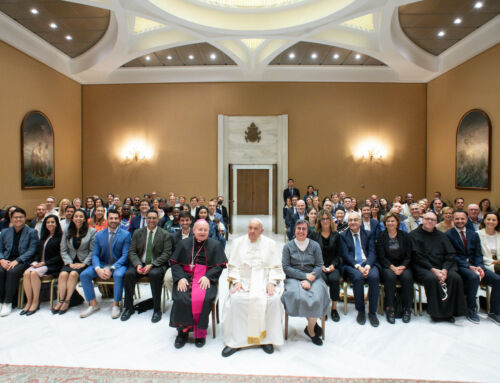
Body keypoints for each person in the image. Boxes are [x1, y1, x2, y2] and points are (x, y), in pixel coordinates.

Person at [221, 219, 284, 357]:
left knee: (273, 300)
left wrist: (272, 282)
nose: (252, 231)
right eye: (250, 228)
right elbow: (232, 266)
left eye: (256, 229)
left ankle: (267, 340)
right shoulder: (238, 243)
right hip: (244, 281)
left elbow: (276, 267)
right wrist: (236, 281)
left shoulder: (270, 244)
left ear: (261, 230)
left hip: (264, 280)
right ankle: (236, 341)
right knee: (237, 299)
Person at [170, 220, 227, 348]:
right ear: (194, 230)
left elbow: (219, 266)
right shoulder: (184, 244)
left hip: (204, 279)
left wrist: (208, 276)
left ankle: (199, 333)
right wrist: (180, 278)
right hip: (186, 277)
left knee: (203, 298)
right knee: (181, 296)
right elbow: (175, 263)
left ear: (208, 231)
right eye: (199, 230)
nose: (202, 232)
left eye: (205, 230)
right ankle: (182, 332)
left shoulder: (215, 245)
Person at [409, 212, 466, 323]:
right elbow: (416, 256)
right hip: (423, 267)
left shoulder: (441, 235)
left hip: (442, 266)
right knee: (432, 279)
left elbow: (450, 254)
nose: (430, 221)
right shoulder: (413, 235)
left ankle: (449, 312)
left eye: (433, 220)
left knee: (455, 277)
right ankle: (436, 313)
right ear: (422, 220)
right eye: (427, 219)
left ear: (436, 222)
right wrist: (433, 269)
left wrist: (444, 269)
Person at [446, 210, 500, 324]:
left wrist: (479, 266)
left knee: (497, 280)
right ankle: (471, 309)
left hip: (476, 265)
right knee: (473, 277)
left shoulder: (473, 234)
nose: (460, 221)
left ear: (466, 219)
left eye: (462, 218)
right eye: (457, 219)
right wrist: (469, 266)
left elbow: (478, 254)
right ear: (453, 219)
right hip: (460, 266)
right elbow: (451, 255)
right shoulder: (448, 234)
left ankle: (494, 312)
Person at [281, 220, 329, 345]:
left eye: (304, 229)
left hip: (314, 277)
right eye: (299, 228)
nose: (301, 231)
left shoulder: (315, 246)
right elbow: (286, 267)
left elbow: (319, 265)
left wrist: (309, 278)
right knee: (298, 296)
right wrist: (303, 276)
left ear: (308, 231)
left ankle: (310, 329)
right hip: (293, 278)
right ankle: (312, 329)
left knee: (317, 297)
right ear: (294, 230)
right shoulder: (288, 246)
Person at [121, 209, 172, 323]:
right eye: (149, 218)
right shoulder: (138, 233)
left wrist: (152, 264)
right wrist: (138, 264)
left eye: (154, 218)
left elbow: (167, 254)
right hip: (140, 263)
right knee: (128, 274)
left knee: (154, 275)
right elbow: (132, 251)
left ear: (158, 219)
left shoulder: (165, 234)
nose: (151, 220)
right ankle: (128, 308)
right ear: (146, 219)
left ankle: (157, 310)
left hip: (157, 264)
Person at [79, 210, 131, 319]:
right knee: (84, 275)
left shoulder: (126, 235)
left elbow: (125, 255)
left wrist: (111, 268)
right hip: (102, 264)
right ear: (108, 219)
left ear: (119, 220)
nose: (113, 221)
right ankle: (93, 304)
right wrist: (97, 268)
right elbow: (95, 254)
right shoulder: (99, 235)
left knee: (117, 275)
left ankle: (116, 305)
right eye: (111, 218)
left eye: (116, 218)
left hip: (119, 265)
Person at [341, 212, 380, 327]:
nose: (353, 222)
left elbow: (373, 252)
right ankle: (361, 311)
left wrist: (367, 265)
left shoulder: (368, 234)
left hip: (368, 263)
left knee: (374, 277)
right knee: (358, 278)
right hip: (352, 264)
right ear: (348, 223)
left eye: (355, 220)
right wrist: (358, 267)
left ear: (360, 222)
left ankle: (372, 312)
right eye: (350, 220)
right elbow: (345, 255)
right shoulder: (343, 236)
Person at [54, 209, 96, 315]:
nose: (78, 219)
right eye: (76, 216)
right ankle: (61, 300)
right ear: (72, 218)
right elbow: (63, 249)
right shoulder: (67, 231)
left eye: (81, 216)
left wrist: (84, 263)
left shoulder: (92, 231)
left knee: (73, 274)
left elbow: (92, 251)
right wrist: (69, 263)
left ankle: (67, 301)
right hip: (70, 261)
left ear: (85, 219)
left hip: (83, 261)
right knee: (63, 274)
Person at [20, 215, 63, 316]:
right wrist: (35, 262)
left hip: (52, 265)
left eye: (52, 222)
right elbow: (38, 253)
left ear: (57, 224)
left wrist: (45, 263)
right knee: (26, 273)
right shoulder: (44, 236)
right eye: (48, 222)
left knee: (34, 274)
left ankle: (36, 302)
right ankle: (29, 301)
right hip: (40, 264)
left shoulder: (60, 237)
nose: (50, 224)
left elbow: (60, 256)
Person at [0, 208, 39, 316]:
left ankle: (8, 302)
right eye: (15, 217)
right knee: (1, 271)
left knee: (12, 272)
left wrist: (18, 260)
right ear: (11, 218)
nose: (18, 219)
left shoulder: (32, 232)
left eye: (21, 217)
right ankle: (1, 301)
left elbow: (32, 250)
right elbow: (0, 248)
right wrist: (2, 259)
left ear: (25, 218)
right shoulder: (5, 232)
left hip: (23, 260)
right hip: (6, 259)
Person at [376, 213, 413, 324]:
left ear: (397, 223)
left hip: (403, 265)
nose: (390, 223)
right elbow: (381, 256)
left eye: (393, 221)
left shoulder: (405, 236)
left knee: (407, 277)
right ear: (385, 224)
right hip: (388, 265)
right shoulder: (381, 236)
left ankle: (407, 309)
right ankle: (390, 308)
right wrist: (392, 267)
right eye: (388, 221)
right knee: (389, 277)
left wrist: (402, 267)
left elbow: (409, 255)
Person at [309, 210, 343, 322]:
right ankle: (323, 308)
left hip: (333, 265)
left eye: (327, 218)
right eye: (322, 219)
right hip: (319, 266)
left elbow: (339, 254)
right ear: (319, 221)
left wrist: (334, 265)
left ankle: (334, 308)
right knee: (321, 280)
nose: (325, 221)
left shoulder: (336, 235)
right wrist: (320, 265)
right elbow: (311, 254)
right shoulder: (314, 235)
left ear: (331, 220)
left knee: (334, 279)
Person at [163, 212, 193, 294]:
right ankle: (177, 298)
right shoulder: (173, 236)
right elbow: (171, 253)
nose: (185, 222)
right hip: (177, 265)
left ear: (190, 221)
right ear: (179, 222)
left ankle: (188, 298)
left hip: (192, 265)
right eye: (182, 220)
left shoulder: (196, 235)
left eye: (187, 220)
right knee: (168, 278)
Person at [478, 212, 500, 278]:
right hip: (486, 263)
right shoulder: (477, 235)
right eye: (488, 219)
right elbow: (476, 255)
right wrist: (494, 261)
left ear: (497, 222)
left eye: (494, 220)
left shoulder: (499, 234)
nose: (491, 221)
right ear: (484, 220)